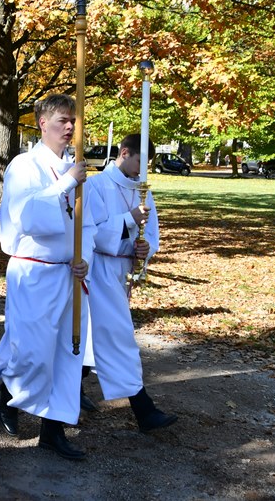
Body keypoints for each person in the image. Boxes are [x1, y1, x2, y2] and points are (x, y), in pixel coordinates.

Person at [0, 93, 95, 460]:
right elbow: (28, 216)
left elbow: (87, 225)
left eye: (73, 120)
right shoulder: (24, 166)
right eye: (63, 120)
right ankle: (9, 393)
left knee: (64, 356)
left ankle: (52, 431)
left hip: (68, 274)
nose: (70, 127)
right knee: (32, 352)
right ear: (43, 123)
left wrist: (85, 258)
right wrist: (65, 183)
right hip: (33, 272)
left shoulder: (76, 169)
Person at [81, 133, 177, 431]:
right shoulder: (97, 185)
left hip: (122, 272)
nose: (142, 171)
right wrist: (129, 219)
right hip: (99, 270)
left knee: (94, 336)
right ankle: (144, 410)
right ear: (124, 153)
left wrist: (145, 249)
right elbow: (91, 232)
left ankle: (72, 386)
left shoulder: (143, 190)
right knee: (118, 337)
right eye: (140, 162)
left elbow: (152, 234)